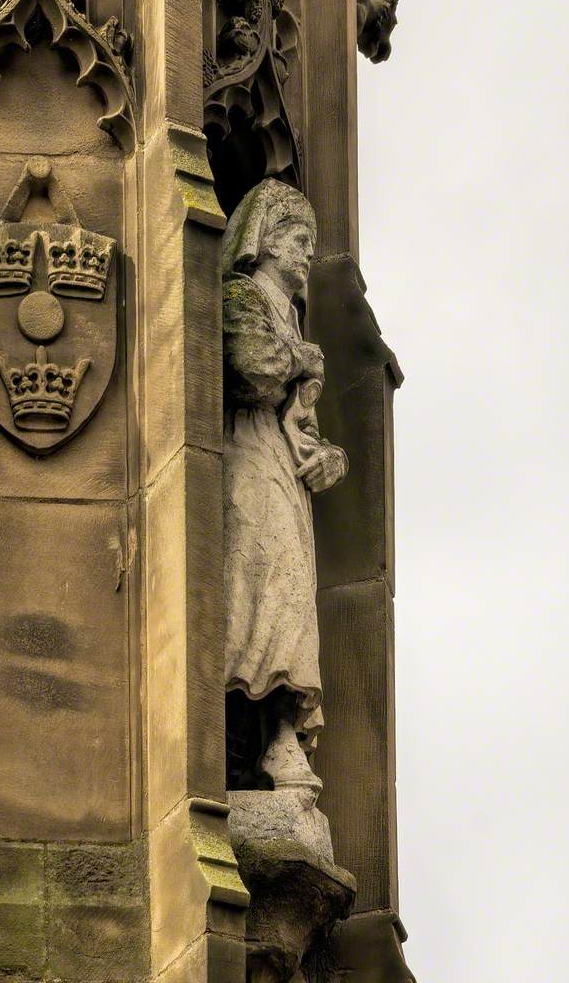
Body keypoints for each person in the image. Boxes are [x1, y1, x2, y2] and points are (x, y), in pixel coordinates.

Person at [221, 179, 347, 792]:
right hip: (244, 456)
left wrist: (331, 457)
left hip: (282, 467)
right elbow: (253, 371)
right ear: (267, 239)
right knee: (262, 587)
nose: (307, 254)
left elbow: (306, 426)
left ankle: (280, 737)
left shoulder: (292, 320)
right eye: (299, 240)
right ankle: (257, 738)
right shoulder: (243, 296)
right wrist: (303, 361)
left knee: (291, 594)